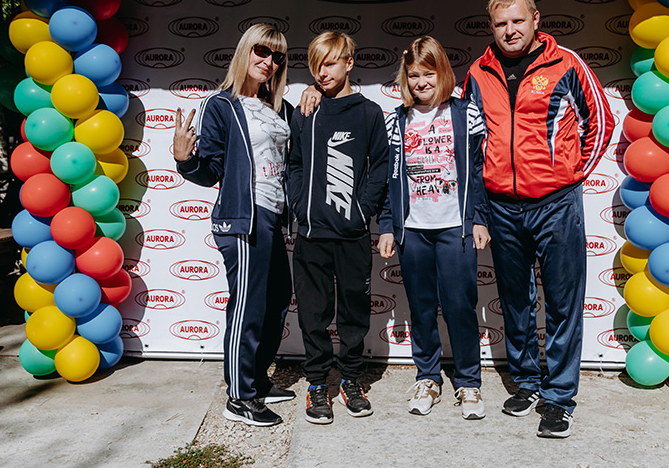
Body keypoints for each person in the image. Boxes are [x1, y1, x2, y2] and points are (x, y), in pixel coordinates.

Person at [463, 0, 614, 438]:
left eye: (517, 21)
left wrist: (569, 176)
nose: (509, 31)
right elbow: (468, 137)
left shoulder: (566, 63)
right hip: (501, 207)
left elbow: (601, 121)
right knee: (516, 300)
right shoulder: (478, 72)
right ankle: (527, 383)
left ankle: (560, 397)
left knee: (564, 303)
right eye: (501, 23)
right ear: (492, 27)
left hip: (555, 205)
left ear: (535, 20)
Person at [173, 23, 295, 427]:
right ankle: (239, 397)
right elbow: (209, 171)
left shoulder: (279, 108)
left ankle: (256, 380)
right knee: (248, 304)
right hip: (243, 218)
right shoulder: (222, 105)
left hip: (273, 217)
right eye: (262, 51)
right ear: (246, 50)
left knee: (276, 300)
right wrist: (184, 159)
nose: (269, 61)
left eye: (278, 56)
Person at [377, 36, 491, 420]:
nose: (421, 82)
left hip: (456, 227)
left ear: (442, 72)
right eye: (413, 75)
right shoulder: (396, 121)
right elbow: (390, 180)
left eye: (428, 73)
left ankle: (469, 382)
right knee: (422, 307)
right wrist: (388, 226)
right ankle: (427, 377)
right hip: (413, 230)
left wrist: (479, 218)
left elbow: (479, 172)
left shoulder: (465, 113)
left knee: (460, 306)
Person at [288, 31, 389, 425]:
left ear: (349, 62)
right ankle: (317, 383)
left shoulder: (369, 113)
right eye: (316, 65)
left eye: (330, 63)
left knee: (354, 315)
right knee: (313, 315)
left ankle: (350, 379)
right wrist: (300, 206)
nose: (322, 72)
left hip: (353, 235)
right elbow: (295, 164)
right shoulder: (306, 111)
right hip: (312, 235)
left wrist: (363, 211)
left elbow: (380, 166)